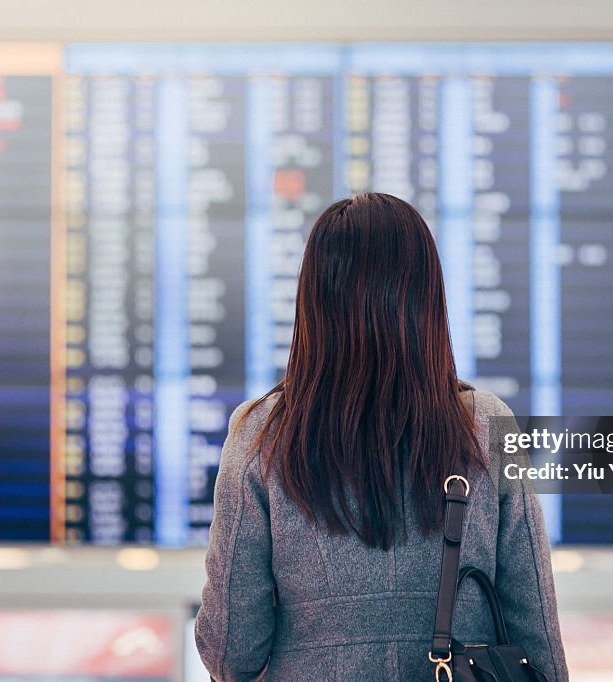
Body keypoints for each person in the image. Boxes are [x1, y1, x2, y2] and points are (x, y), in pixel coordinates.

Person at [195, 192, 568, 681]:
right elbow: (536, 631)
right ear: (427, 298)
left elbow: (231, 651)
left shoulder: (261, 437)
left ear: (313, 298)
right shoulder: (484, 426)